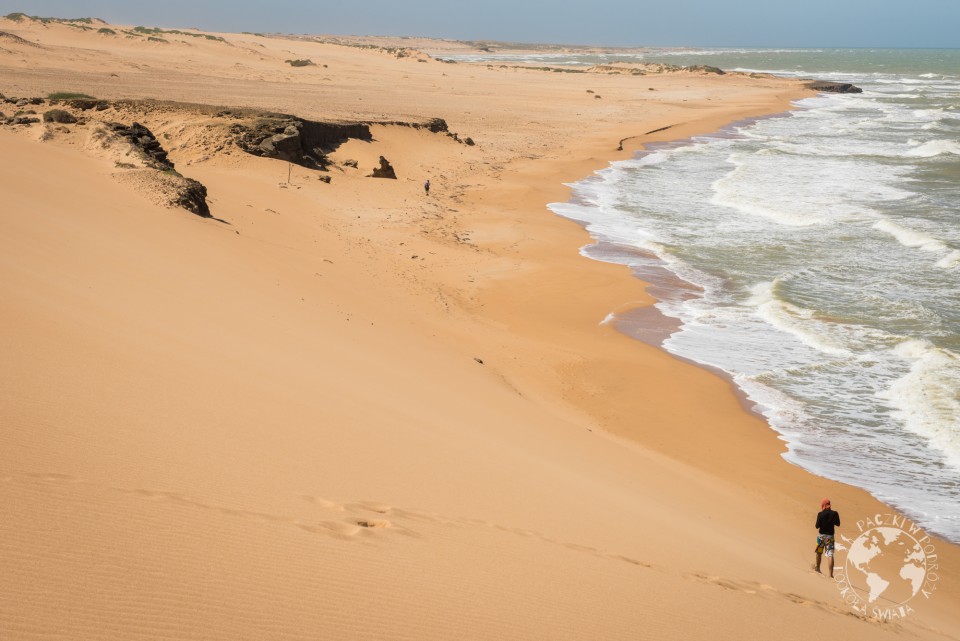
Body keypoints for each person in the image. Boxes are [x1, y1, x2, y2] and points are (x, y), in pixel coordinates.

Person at [815, 498, 841, 577]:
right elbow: (838, 524)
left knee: (819, 552)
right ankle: (830, 574)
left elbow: (817, 526)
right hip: (830, 537)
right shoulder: (835, 513)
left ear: (823, 505)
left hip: (821, 536)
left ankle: (818, 568)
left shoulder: (820, 514)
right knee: (830, 555)